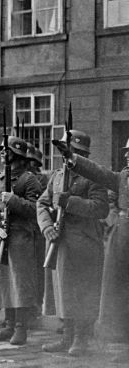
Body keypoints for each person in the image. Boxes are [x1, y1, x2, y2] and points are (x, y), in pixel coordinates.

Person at [55, 137, 129, 363]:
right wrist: (72, 158)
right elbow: (102, 174)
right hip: (123, 237)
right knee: (120, 292)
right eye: (126, 152)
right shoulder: (125, 175)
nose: (126, 156)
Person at [38, 130, 108, 356]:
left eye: (72, 152)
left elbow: (101, 208)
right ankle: (67, 336)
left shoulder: (93, 177)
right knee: (63, 291)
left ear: (82, 154)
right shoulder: (57, 176)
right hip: (61, 242)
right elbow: (42, 203)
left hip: (85, 242)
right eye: (65, 151)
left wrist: (71, 202)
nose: (67, 156)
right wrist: (47, 227)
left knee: (82, 291)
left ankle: (81, 338)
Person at [0, 136, 43, 345]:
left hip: (20, 237)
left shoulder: (29, 179)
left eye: (6, 149)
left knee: (20, 283)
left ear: (16, 153)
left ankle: (21, 328)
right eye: (1, 149)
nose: (2, 152)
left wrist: (14, 201)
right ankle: (8, 324)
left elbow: (37, 209)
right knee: (4, 281)